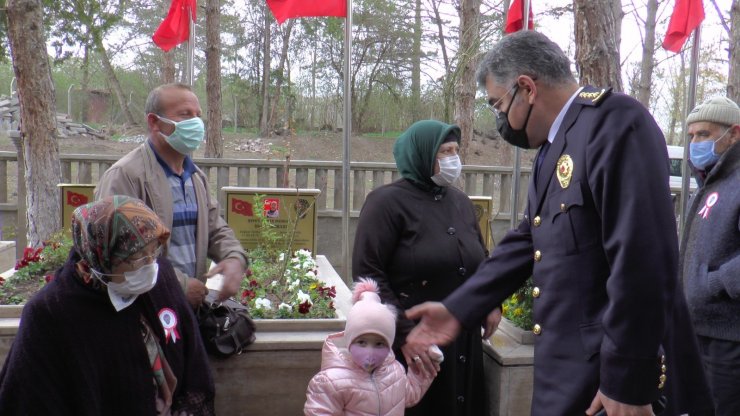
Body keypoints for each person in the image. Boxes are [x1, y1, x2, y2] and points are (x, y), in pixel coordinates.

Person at [404, 31, 712, 416]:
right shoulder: (556, 147)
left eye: (499, 105)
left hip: (612, 381)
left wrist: (628, 380)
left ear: (527, 88)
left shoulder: (615, 125)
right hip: (567, 373)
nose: (501, 119)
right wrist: (458, 308)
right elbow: (527, 239)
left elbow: (642, 259)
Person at [0, 196, 215, 415]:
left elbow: (193, 361)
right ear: (101, 256)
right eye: (137, 258)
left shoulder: (162, 279)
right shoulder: (51, 312)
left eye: (154, 251)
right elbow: (28, 399)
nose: (150, 266)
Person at [352, 119, 499, 416]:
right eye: (445, 151)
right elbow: (369, 274)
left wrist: (490, 302)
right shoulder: (385, 204)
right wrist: (405, 335)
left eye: (456, 150)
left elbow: (479, 258)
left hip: (463, 344)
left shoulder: (460, 201)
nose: (453, 159)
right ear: (422, 154)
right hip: (414, 346)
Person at [96, 83, 248, 307]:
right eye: (185, 114)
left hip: (185, 311)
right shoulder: (125, 176)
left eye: (198, 115)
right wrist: (179, 286)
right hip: (144, 313)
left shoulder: (196, 177)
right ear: (154, 122)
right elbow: (117, 253)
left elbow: (216, 228)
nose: (196, 123)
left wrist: (234, 257)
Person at [681, 96, 740, 416]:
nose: (695, 143)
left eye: (704, 134)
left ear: (733, 134)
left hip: (729, 342)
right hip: (698, 334)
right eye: (691, 136)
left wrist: (713, 282)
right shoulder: (710, 183)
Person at [304, 278, 438, 415]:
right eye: (362, 342)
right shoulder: (330, 381)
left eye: (379, 344)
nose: (370, 352)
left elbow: (407, 396)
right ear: (349, 341)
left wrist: (422, 372)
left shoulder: (394, 370)